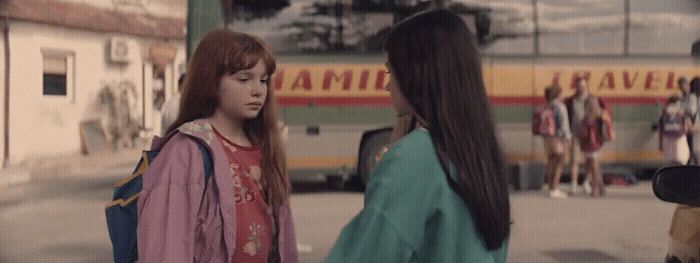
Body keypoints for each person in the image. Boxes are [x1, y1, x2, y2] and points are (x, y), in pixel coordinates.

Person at [326, 9, 510, 262]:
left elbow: (368, 253)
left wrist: (399, 151)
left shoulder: (413, 158)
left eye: (391, 72)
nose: (386, 85)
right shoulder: (482, 154)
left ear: (418, 73)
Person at [137, 29, 298, 262]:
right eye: (243, 79)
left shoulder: (266, 147)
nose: (257, 90)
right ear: (211, 82)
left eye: (263, 80)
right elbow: (166, 247)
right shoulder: (186, 151)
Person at [564, 77, 608, 194]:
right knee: (575, 159)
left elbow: (602, 115)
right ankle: (574, 184)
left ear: (586, 86)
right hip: (575, 133)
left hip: (590, 135)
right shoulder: (571, 100)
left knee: (591, 161)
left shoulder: (593, 99)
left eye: (583, 86)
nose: (581, 88)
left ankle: (588, 183)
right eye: (579, 86)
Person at [577, 97, 613, 198]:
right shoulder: (598, 117)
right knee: (595, 167)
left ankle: (595, 189)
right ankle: (600, 187)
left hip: (592, 146)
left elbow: (583, 134)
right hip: (594, 145)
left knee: (594, 168)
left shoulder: (589, 119)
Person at [541, 86, 572, 199]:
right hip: (558, 138)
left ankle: (550, 188)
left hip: (547, 138)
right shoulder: (560, 106)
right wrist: (568, 138)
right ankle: (555, 189)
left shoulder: (546, 107)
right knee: (560, 161)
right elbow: (564, 124)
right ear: (557, 94)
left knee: (550, 162)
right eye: (561, 93)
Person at [660, 95, 693, 165]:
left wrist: (660, 144)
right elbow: (689, 125)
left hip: (667, 139)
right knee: (682, 161)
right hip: (680, 138)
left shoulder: (665, 112)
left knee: (672, 162)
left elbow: (661, 128)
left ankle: (673, 175)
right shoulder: (682, 111)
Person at [678, 77, 698, 164]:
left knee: (693, 148)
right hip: (687, 126)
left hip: (692, 126)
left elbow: (692, 111)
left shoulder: (692, 96)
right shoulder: (683, 96)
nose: (681, 88)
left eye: (682, 86)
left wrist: (683, 111)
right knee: (689, 148)